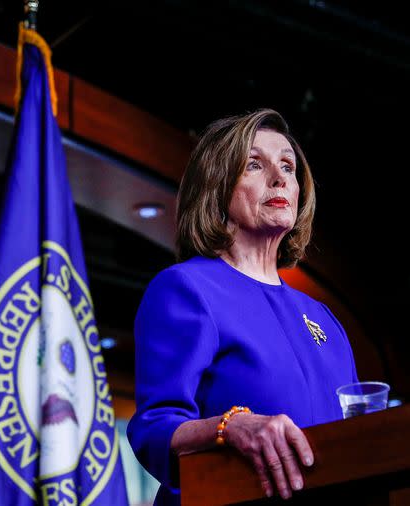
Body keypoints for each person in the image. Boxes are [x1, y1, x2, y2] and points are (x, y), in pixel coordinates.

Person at [127, 109, 358, 505]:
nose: (280, 177)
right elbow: (153, 429)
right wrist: (229, 428)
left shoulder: (323, 318)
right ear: (216, 186)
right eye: (255, 164)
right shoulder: (187, 289)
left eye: (288, 166)